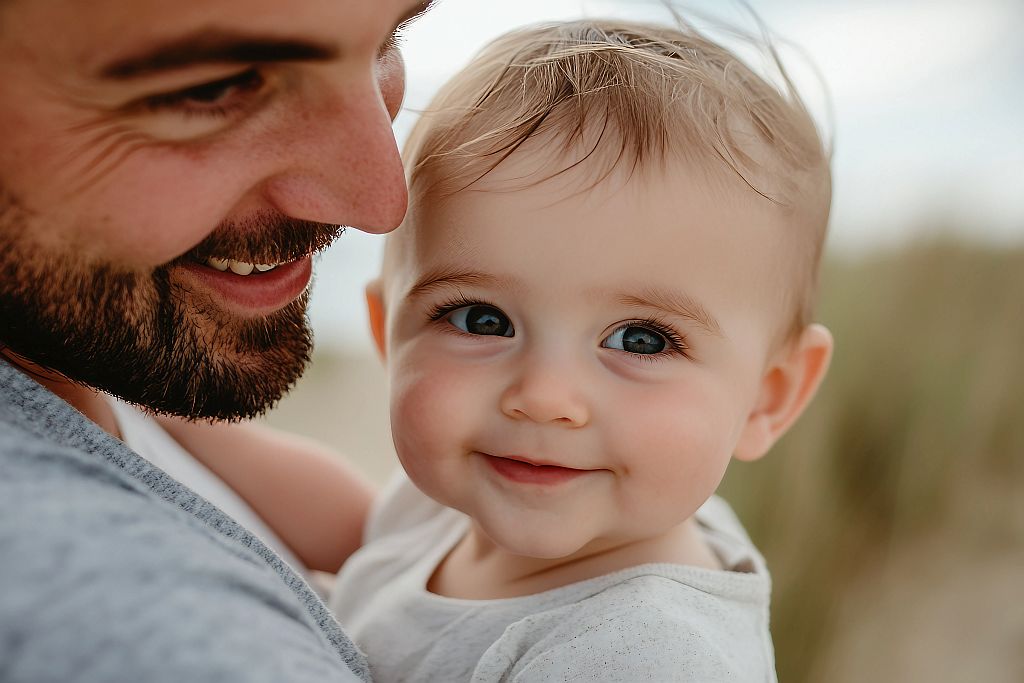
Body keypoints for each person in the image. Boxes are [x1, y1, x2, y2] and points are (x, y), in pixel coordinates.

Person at [180, 15, 835, 681]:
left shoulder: (645, 653)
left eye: (642, 339)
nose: (544, 397)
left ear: (769, 396)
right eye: (481, 320)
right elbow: (361, 534)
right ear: (390, 333)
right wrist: (161, 415)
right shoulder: (484, 483)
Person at [0, 0, 435, 680]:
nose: (382, 202)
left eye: (390, 38)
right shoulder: (151, 634)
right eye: (215, 86)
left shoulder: (82, 361)